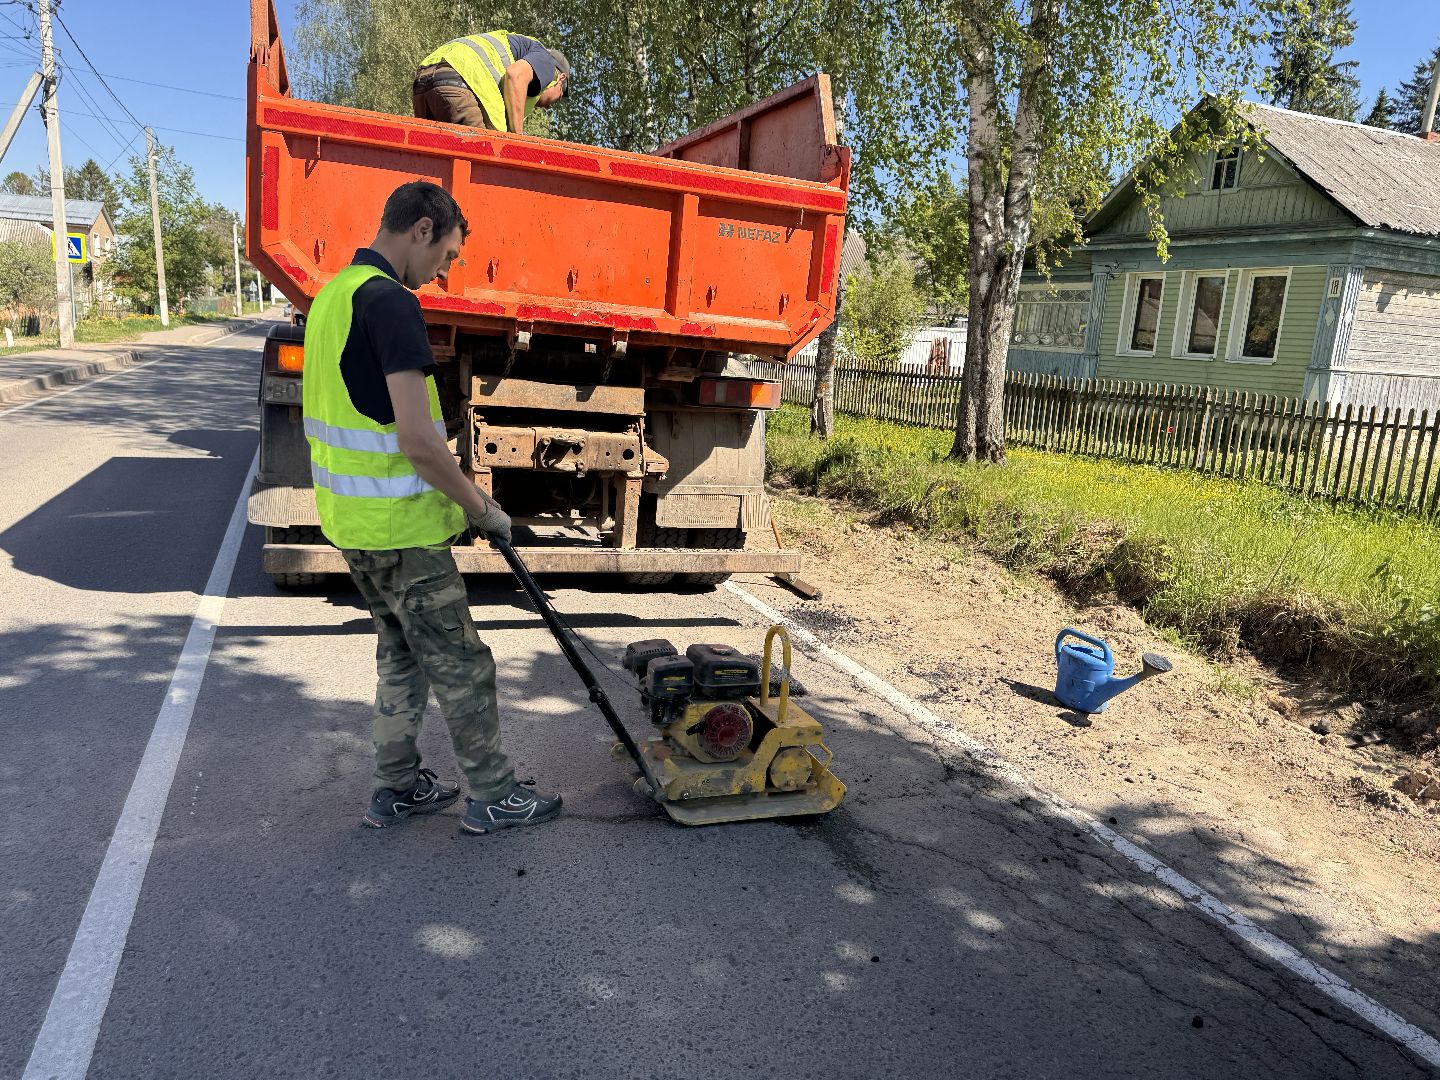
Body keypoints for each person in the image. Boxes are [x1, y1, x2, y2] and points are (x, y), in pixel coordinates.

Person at [301, 179, 562, 835]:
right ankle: (495, 795)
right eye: (446, 256)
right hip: (403, 531)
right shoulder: (390, 304)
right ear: (421, 229)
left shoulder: (333, 297)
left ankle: (396, 789)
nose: (444, 274)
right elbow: (418, 440)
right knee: (463, 665)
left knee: (403, 655)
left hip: (352, 527)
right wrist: (482, 507)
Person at [413, 32, 570, 134]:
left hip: (423, 81)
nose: (549, 107)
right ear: (561, 78)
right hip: (457, 81)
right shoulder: (547, 63)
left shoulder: (519, 49)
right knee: (481, 165)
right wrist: (518, 140)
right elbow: (515, 75)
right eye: (559, 96)